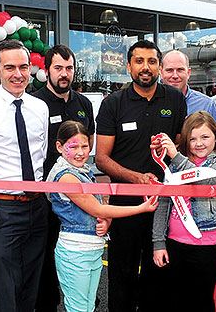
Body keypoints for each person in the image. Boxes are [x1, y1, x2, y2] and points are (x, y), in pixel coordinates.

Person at [95, 39, 186, 312]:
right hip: (125, 205)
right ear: (128, 66)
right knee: (122, 273)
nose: (145, 67)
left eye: (151, 61)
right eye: (139, 61)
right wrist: (135, 178)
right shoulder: (113, 103)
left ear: (159, 65)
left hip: (164, 203)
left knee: (158, 271)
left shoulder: (174, 99)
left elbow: (180, 145)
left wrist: (171, 150)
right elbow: (101, 158)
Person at [0, 39, 50, 312]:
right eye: (10, 67)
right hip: (1, 209)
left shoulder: (40, 108)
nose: (18, 74)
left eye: (24, 67)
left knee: (31, 282)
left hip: (38, 207)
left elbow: (42, 155)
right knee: (6, 284)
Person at [49, 120, 158, 312]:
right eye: (73, 147)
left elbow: (101, 205)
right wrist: (141, 207)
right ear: (59, 146)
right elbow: (97, 210)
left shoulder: (84, 171)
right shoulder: (66, 176)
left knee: (88, 306)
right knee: (79, 308)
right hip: (75, 251)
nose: (81, 152)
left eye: (85, 146)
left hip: (92, 249)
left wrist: (107, 220)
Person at [32, 44, 95, 312]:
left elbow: (88, 145)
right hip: (48, 199)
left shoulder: (84, 104)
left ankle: (82, 302)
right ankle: (48, 305)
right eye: (58, 68)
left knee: (80, 253)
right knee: (45, 258)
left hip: (79, 198)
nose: (64, 74)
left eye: (69, 68)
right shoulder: (35, 103)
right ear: (47, 71)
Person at [151, 111, 216, 312]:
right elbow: (163, 204)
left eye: (205, 137)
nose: (199, 143)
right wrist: (158, 243)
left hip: (207, 245)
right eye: (192, 138)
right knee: (175, 300)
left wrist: (176, 156)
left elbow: (209, 180)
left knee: (202, 301)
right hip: (175, 243)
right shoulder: (175, 165)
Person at [160, 50, 216, 128]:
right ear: (161, 73)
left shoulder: (207, 105)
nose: (175, 75)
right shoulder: (152, 103)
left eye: (180, 70)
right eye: (169, 70)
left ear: (188, 73)